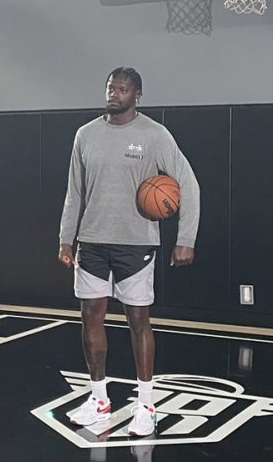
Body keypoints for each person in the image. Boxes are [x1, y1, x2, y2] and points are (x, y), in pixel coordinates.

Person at [58, 67, 199, 437]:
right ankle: (99, 398)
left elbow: (188, 183)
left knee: (138, 321)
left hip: (136, 244)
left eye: (122, 89)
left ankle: (146, 404)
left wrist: (186, 237)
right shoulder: (85, 135)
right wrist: (66, 238)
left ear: (138, 94)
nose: (114, 93)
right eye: (110, 87)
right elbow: (75, 192)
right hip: (92, 241)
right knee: (91, 319)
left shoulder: (155, 135)